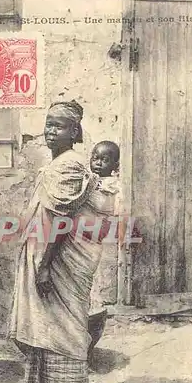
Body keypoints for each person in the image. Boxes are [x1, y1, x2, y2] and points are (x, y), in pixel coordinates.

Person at [9, 100, 117, 383]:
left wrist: (44, 267)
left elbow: (61, 222)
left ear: (74, 132)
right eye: (48, 124)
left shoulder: (68, 165)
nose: (50, 131)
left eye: (59, 126)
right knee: (51, 325)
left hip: (60, 261)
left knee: (63, 326)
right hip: (51, 256)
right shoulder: (58, 163)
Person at [87, 141, 121, 365]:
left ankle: (87, 349)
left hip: (95, 240)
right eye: (95, 158)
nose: (98, 163)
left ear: (115, 165)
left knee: (94, 294)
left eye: (104, 160)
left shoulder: (111, 185)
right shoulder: (91, 181)